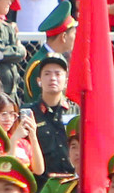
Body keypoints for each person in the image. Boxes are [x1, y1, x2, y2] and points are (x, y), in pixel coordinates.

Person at [26, 53, 76, 181]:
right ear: (39, 81)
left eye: (58, 74)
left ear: (67, 81)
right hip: (41, 185)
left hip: (72, 184)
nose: (52, 78)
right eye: (47, 74)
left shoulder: (77, 111)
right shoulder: (29, 113)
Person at [22, 0, 77, 101]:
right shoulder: (39, 63)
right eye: (74, 34)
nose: (76, 38)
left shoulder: (58, 58)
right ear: (63, 37)